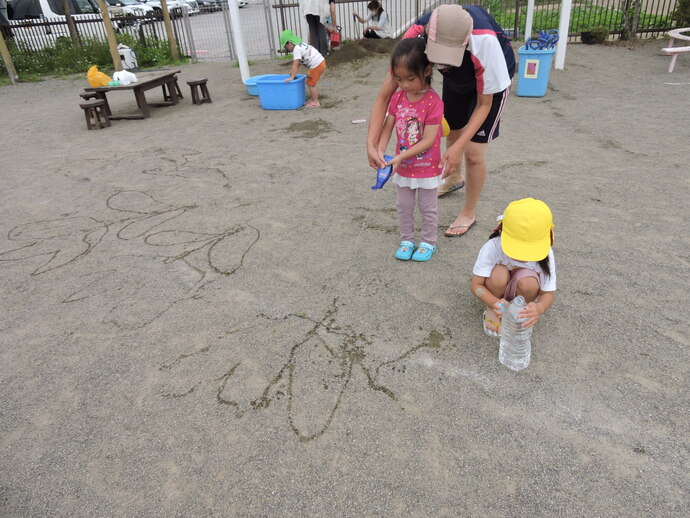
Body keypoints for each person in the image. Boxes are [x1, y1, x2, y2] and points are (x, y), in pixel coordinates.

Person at [367, 4, 515, 237]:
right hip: (456, 80)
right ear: (426, 37)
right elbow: (386, 94)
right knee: (452, 130)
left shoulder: (485, 43)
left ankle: (468, 212)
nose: (441, 64)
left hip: (490, 86)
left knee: (473, 153)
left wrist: (459, 148)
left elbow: (484, 104)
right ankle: (454, 178)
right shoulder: (414, 33)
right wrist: (372, 144)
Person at [376, 38, 444, 262]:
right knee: (403, 205)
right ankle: (407, 239)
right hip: (403, 166)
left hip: (426, 167)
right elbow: (389, 124)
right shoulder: (398, 97)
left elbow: (428, 139)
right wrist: (380, 149)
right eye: (398, 79)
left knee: (427, 207)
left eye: (410, 78)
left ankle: (427, 242)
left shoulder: (434, 101)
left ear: (426, 70)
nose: (404, 84)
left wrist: (400, 156)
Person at [470, 198, 556, 337]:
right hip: (495, 292)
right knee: (499, 273)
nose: (521, 256)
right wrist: (493, 303)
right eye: (517, 247)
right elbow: (476, 285)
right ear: (501, 231)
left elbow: (548, 293)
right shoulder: (493, 246)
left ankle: (518, 312)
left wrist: (539, 308)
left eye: (529, 249)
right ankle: (492, 310)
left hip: (522, 293)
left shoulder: (546, 254)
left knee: (529, 282)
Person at [280, 30, 326, 108]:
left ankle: (315, 102)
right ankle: (313, 99)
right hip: (320, 61)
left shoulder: (296, 49)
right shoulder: (301, 45)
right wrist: (292, 71)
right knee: (309, 81)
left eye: (286, 46)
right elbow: (301, 61)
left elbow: (295, 63)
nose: (286, 49)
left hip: (317, 64)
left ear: (290, 43)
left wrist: (291, 77)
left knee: (310, 83)